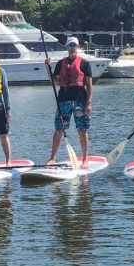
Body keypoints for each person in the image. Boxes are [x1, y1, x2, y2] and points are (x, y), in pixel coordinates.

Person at [45, 36, 93, 168]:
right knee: (58, 130)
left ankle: (85, 159)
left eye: (74, 46)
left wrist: (88, 103)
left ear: (77, 48)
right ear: (67, 48)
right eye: (70, 46)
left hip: (80, 101)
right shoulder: (61, 64)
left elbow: (89, 85)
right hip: (63, 101)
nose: (72, 48)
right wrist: (47, 68)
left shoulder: (84, 64)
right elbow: (55, 82)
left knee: (82, 131)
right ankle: (52, 158)